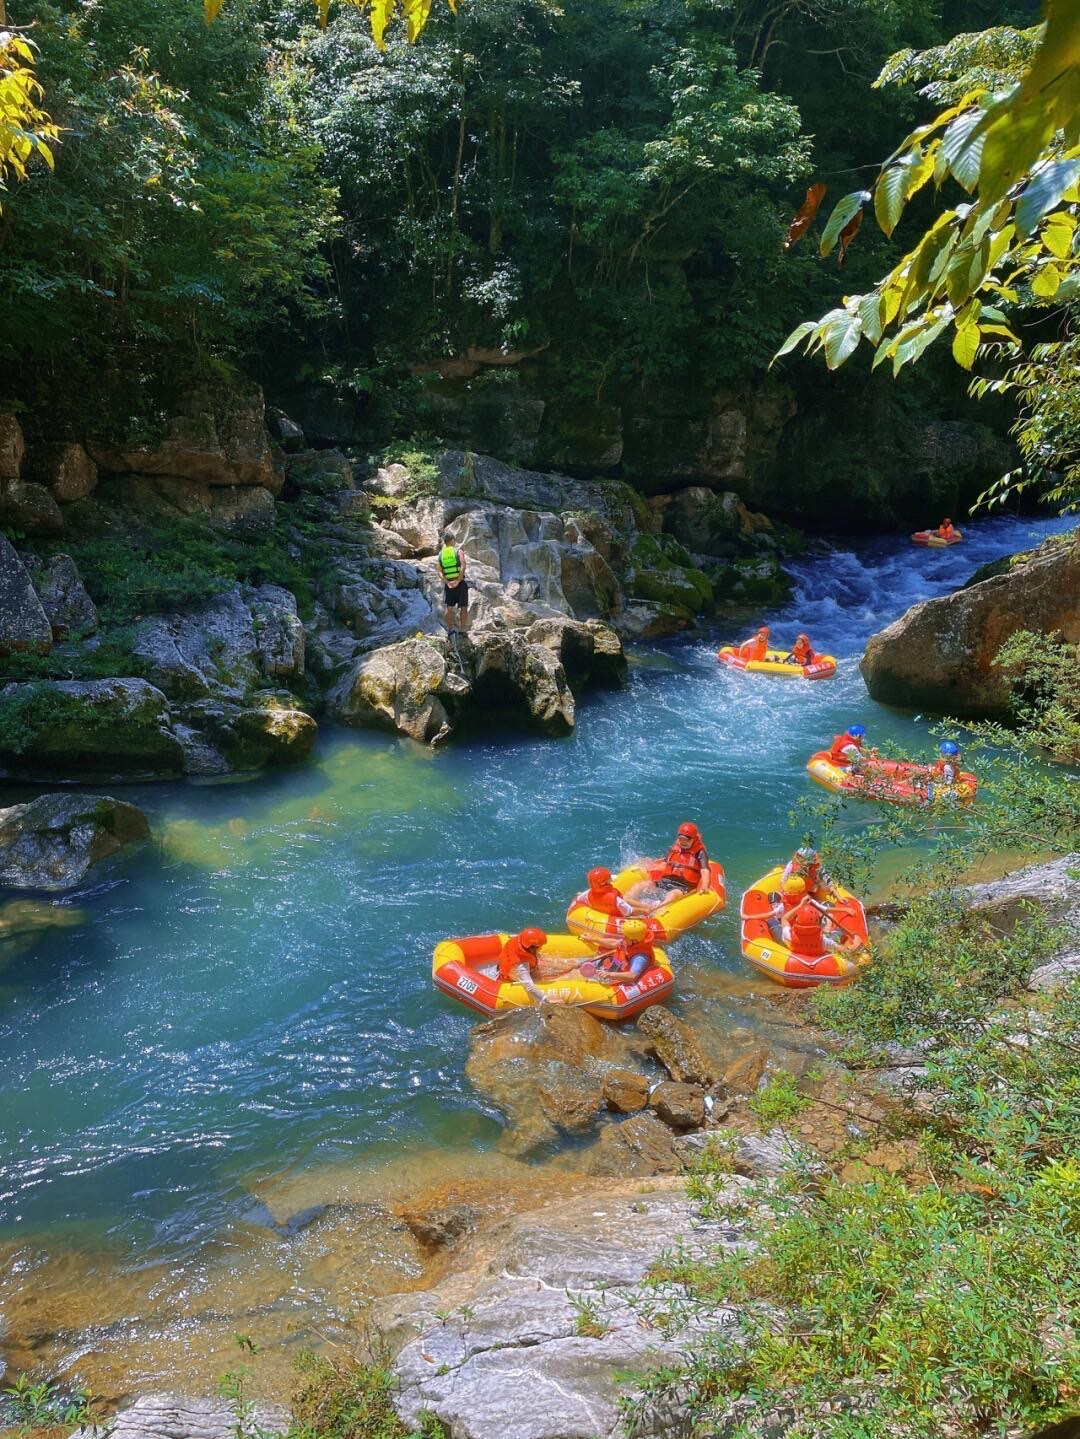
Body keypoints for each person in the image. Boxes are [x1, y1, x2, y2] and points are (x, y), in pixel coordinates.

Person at [497, 928, 561, 1005]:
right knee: (558, 975)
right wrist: (547, 1000)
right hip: (512, 978)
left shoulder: (519, 940)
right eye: (540, 947)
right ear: (532, 948)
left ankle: (576, 964)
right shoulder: (521, 966)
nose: (541, 948)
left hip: (507, 969)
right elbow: (530, 987)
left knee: (554, 966)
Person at [655, 822, 712, 896]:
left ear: (694, 839)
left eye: (686, 840)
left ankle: (658, 907)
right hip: (667, 880)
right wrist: (650, 867)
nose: (683, 842)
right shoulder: (674, 848)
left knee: (672, 894)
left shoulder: (700, 852)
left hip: (684, 886)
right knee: (644, 885)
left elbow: (704, 870)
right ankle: (637, 904)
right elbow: (665, 863)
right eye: (681, 839)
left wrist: (704, 886)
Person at [595, 918, 656, 985]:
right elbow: (614, 943)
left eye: (625, 936)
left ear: (634, 940)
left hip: (622, 973)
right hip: (616, 964)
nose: (623, 937)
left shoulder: (640, 957)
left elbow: (632, 976)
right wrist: (594, 939)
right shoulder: (631, 940)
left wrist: (609, 974)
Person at [437, 533, 469, 635]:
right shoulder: (458, 551)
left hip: (449, 584)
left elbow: (439, 571)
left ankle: (450, 630)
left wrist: (447, 582)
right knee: (463, 607)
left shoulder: (441, 554)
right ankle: (462, 630)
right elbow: (463, 566)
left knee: (449, 607)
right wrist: (458, 580)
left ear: (445, 542)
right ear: (453, 540)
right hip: (459, 583)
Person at [766, 874, 806, 939]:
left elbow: (769, 915)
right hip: (795, 930)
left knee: (771, 920)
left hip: (788, 930)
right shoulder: (807, 902)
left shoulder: (782, 906)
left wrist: (748, 917)